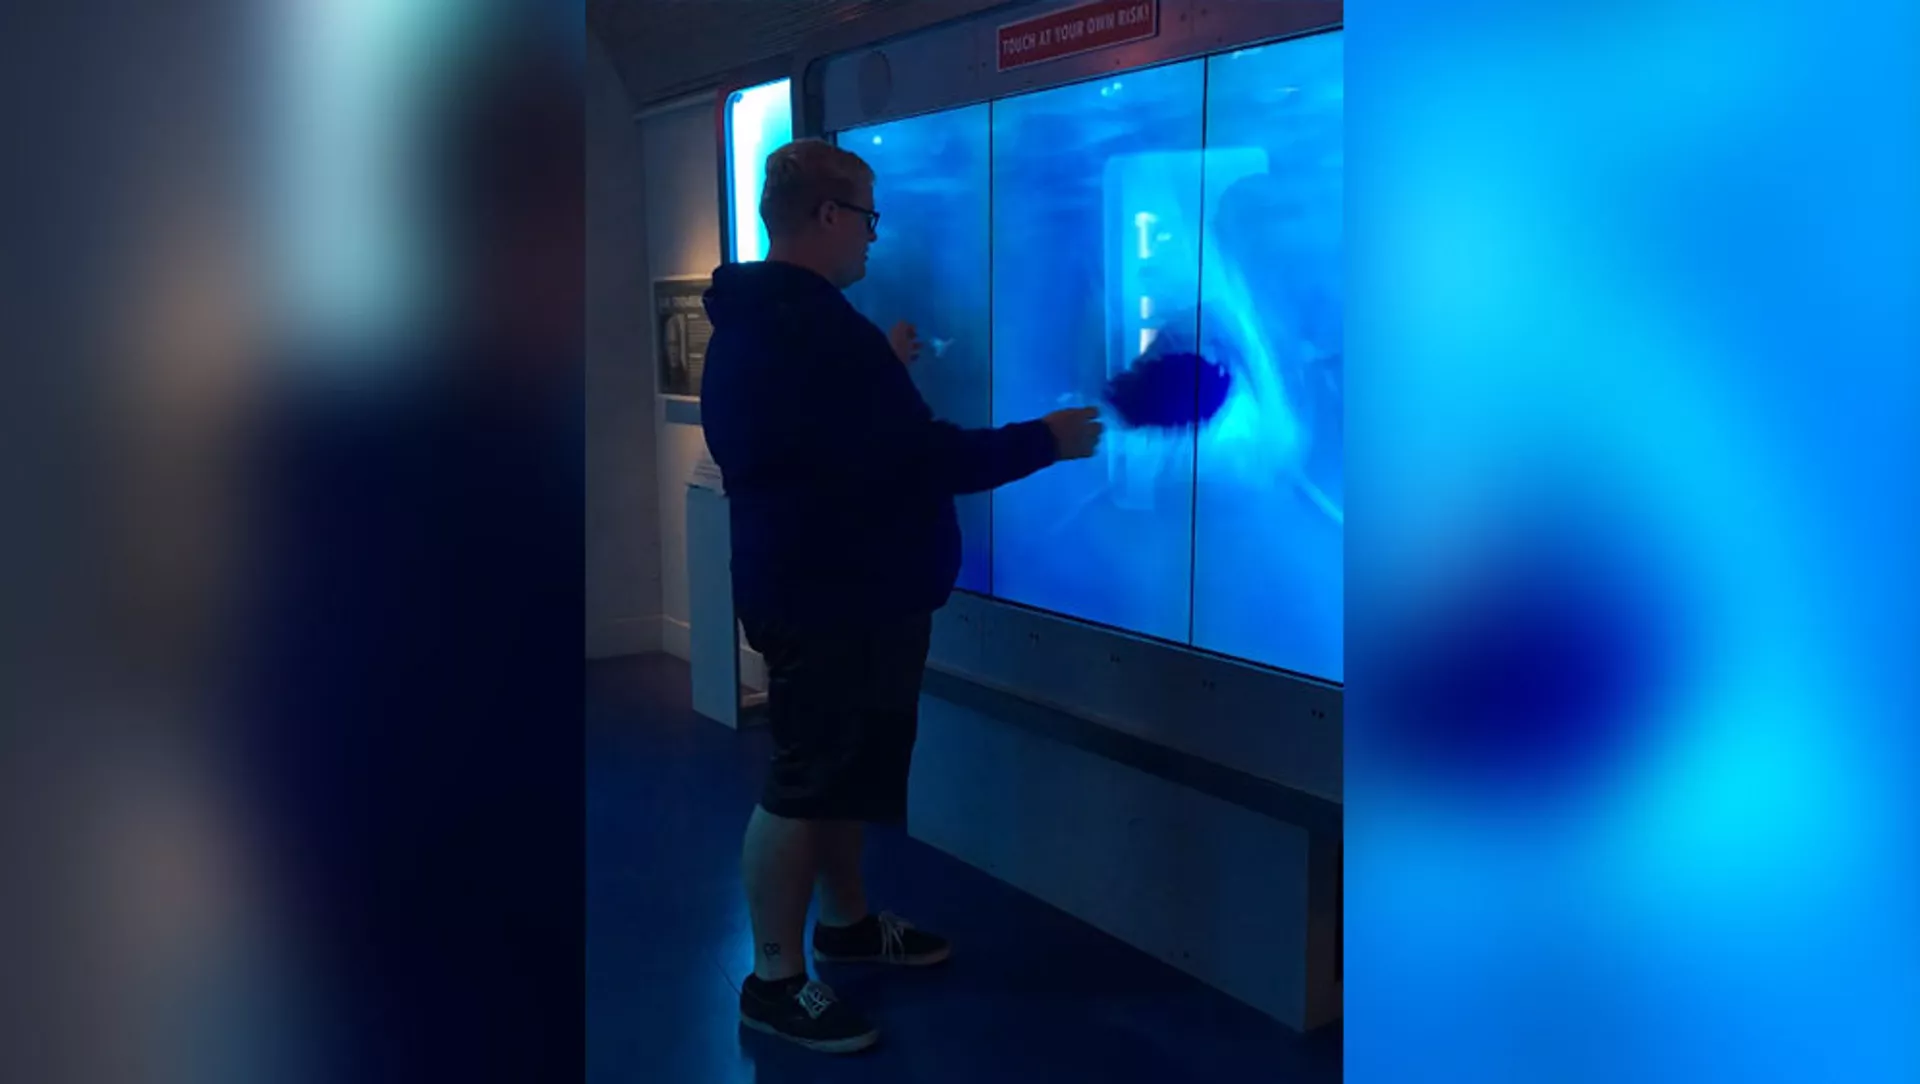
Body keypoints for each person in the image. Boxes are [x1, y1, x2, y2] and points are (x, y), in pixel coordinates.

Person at [699, 138, 1104, 1054]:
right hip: (829, 604)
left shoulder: (770, 322)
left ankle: (846, 925)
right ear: (830, 215)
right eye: (868, 217)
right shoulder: (818, 333)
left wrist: (879, 367)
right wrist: (1046, 438)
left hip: (832, 594)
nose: (873, 238)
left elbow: (818, 440)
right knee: (804, 784)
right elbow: (924, 459)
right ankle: (772, 981)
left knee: (840, 775)